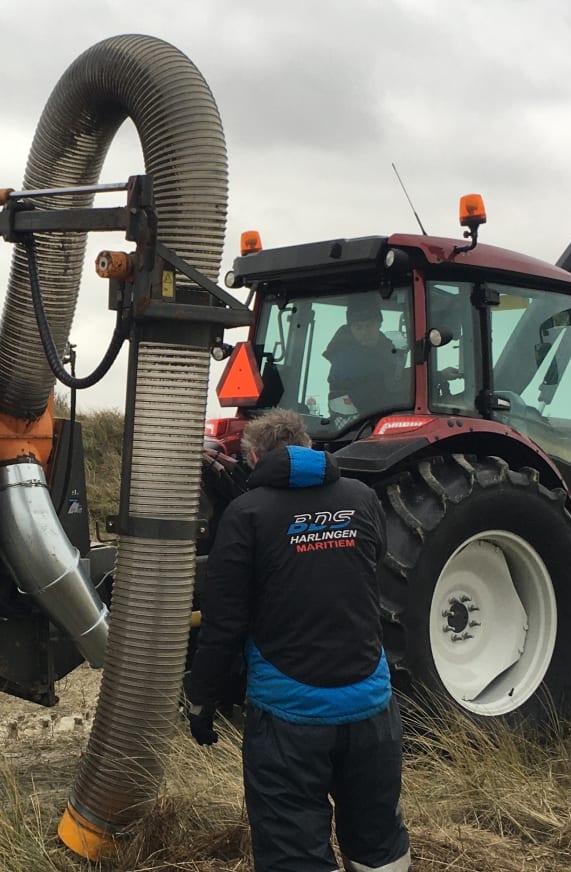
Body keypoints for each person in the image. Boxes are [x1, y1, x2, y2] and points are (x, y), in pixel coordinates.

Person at [185, 408, 411, 872]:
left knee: (295, 854)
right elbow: (372, 559)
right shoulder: (363, 497)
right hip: (373, 712)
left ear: (251, 456)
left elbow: (224, 625)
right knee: (380, 846)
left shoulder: (246, 514)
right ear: (309, 445)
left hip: (290, 722)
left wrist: (202, 700)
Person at [322, 300, 406, 416]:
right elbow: (377, 388)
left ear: (379, 324)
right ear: (351, 329)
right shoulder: (345, 360)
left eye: (369, 325)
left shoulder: (387, 350)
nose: (364, 332)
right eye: (358, 327)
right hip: (358, 424)